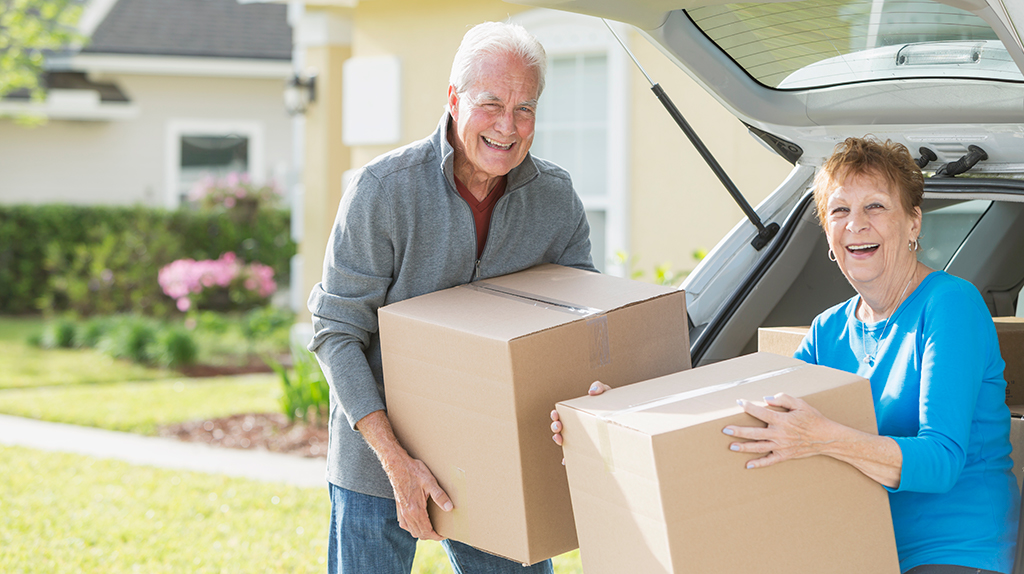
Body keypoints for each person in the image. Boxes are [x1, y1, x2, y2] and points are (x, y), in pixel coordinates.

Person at [551, 137, 1019, 574]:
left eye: (875, 206)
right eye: (840, 210)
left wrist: (824, 438)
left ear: (913, 221)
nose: (856, 224)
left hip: (952, 551)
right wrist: (625, 416)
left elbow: (941, 461)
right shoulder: (828, 330)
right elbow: (742, 416)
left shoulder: (949, 304)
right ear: (828, 233)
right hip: (858, 546)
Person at [308, 21, 596, 574]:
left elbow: (577, 328)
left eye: (525, 109)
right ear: (454, 99)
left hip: (493, 463)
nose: (507, 127)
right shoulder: (383, 190)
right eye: (491, 104)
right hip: (375, 459)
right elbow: (336, 332)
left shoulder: (555, 200)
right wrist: (395, 460)